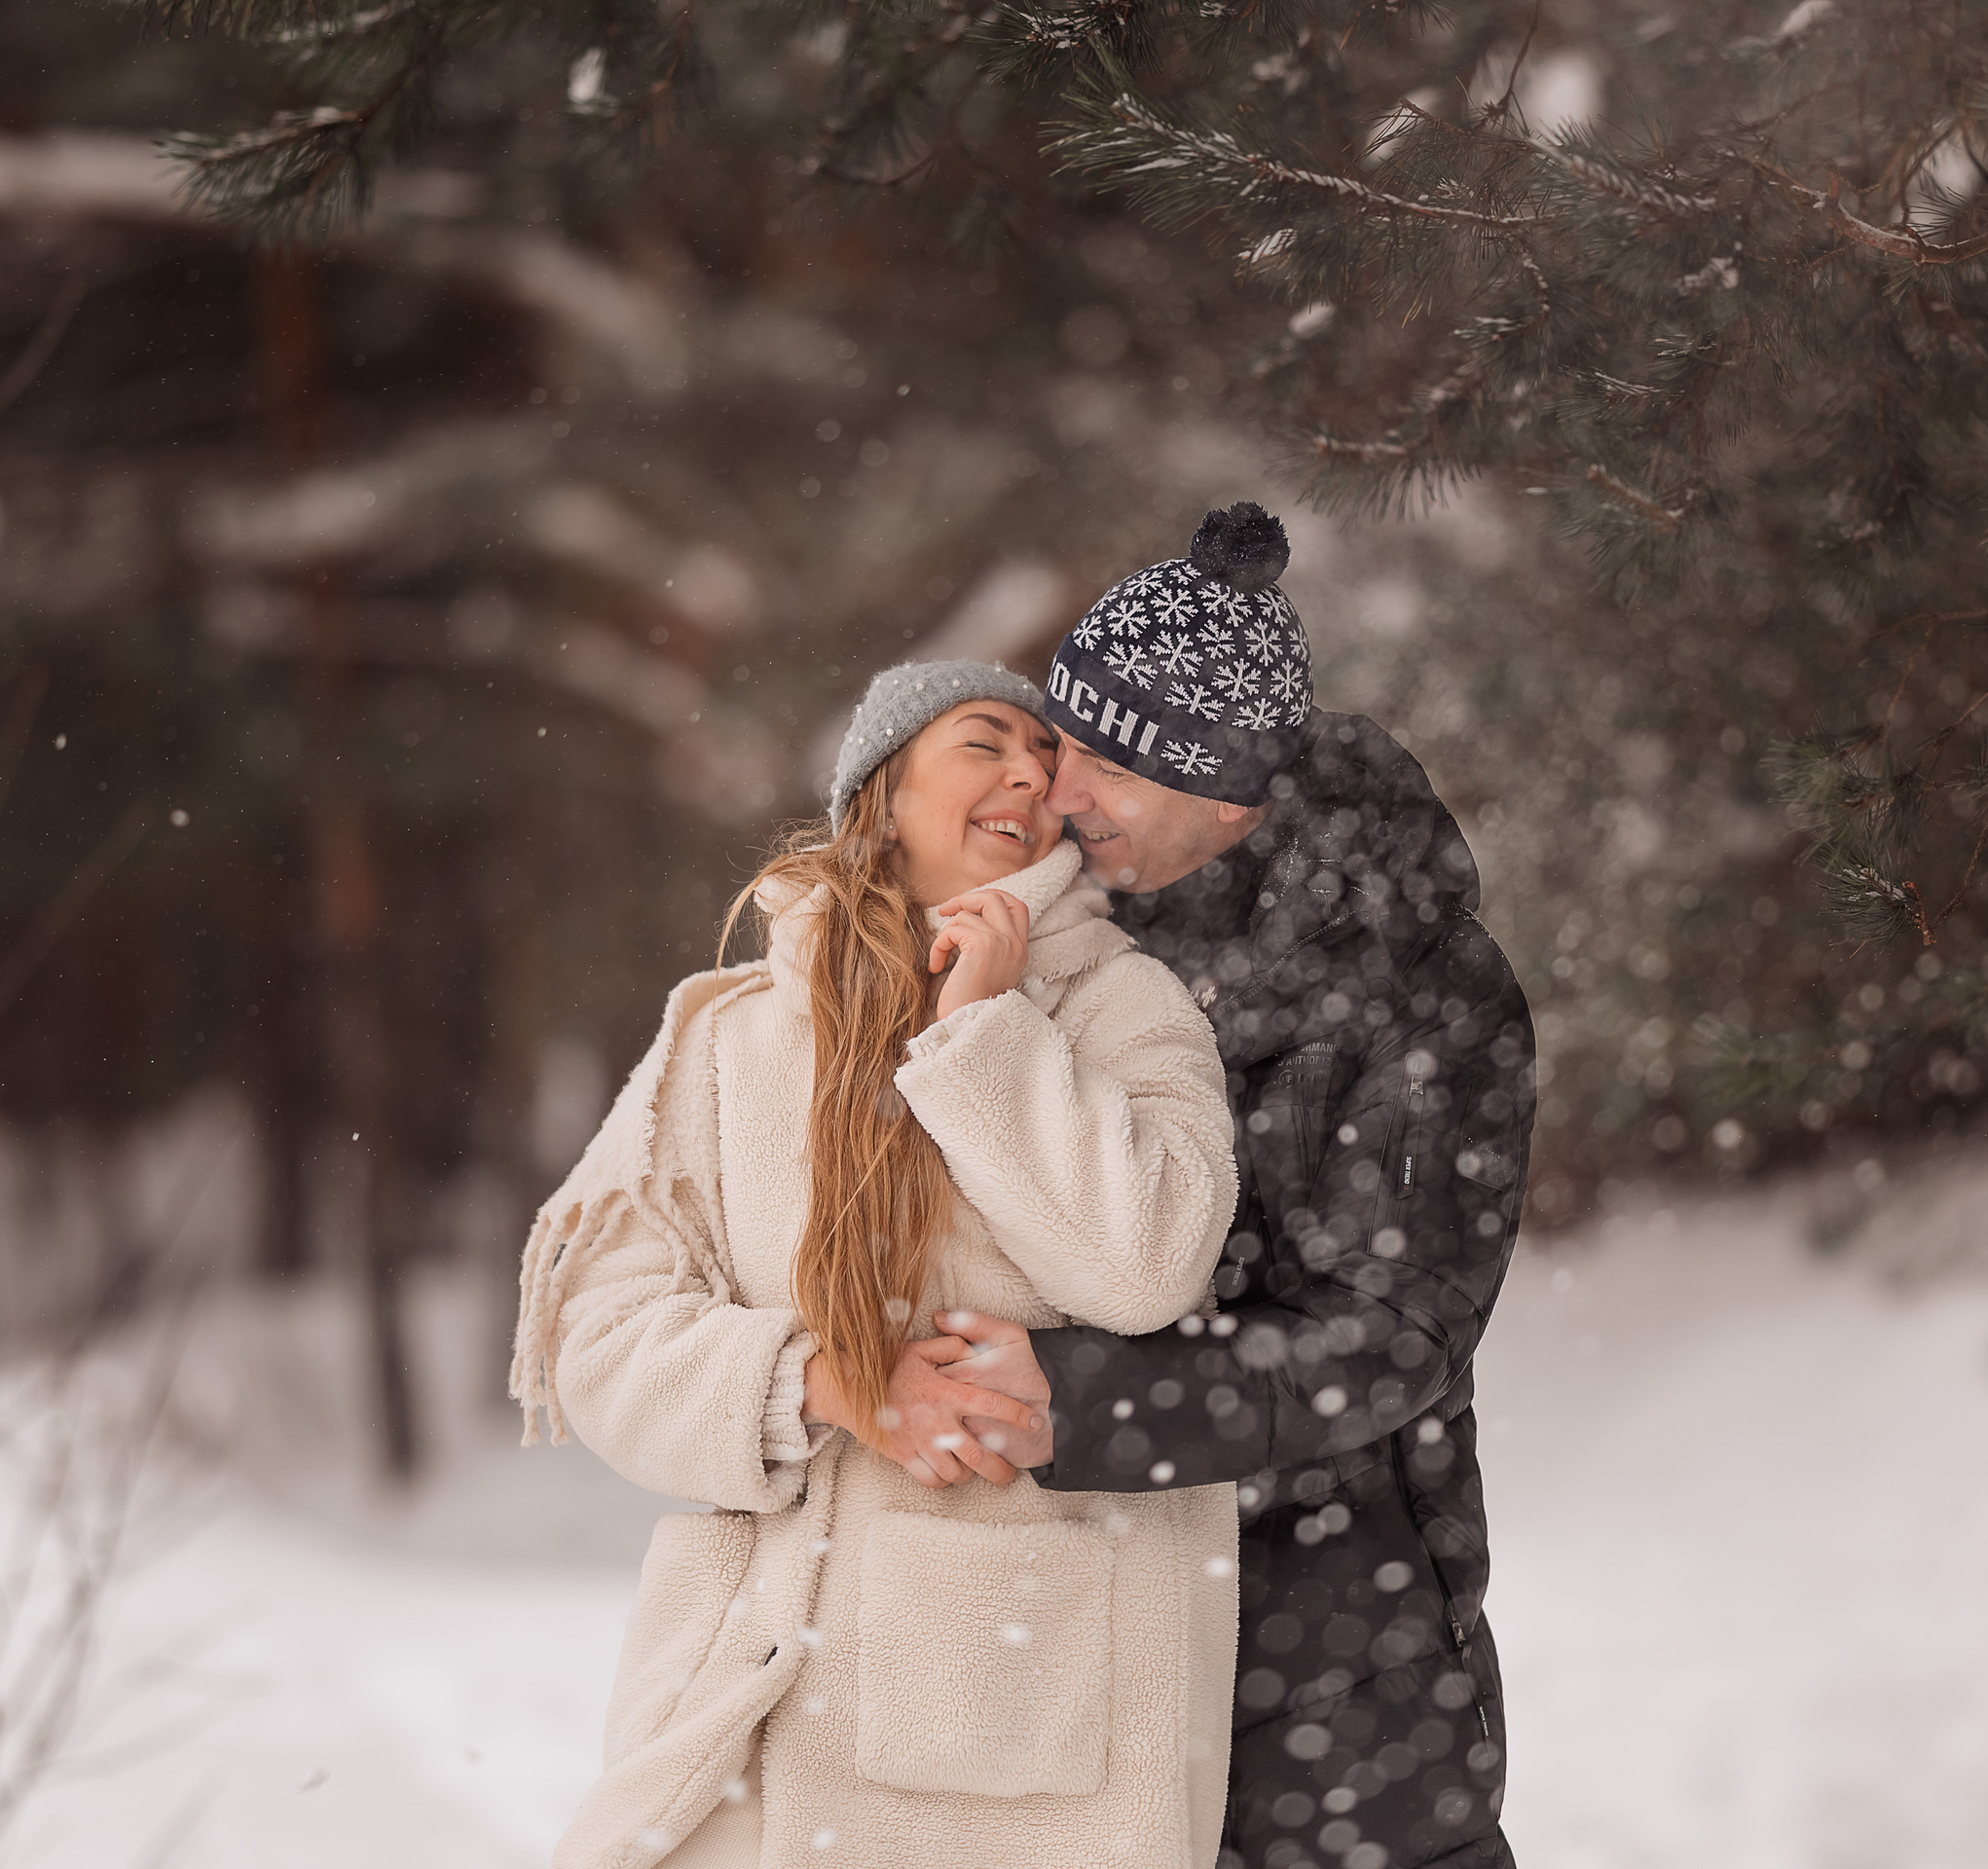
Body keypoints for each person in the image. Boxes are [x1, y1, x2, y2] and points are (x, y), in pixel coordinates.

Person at [512, 661, 1247, 1869]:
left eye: (1043, 757)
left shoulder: (1124, 1008)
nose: (1029, 773)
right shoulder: (729, 1036)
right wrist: (822, 1383)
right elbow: (598, 1330)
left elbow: (1148, 1266)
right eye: (983, 741)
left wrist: (982, 1031)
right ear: (882, 790)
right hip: (746, 1704)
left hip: (1022, 1712)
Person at [939, 504, 1535, 1869]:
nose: (1061, 788)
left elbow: (1389, 1335)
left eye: (1113, 762)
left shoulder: (1420, 990)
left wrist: (1077, 1400)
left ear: (1227, 792)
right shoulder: (1038, 932)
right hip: (1064, 1632)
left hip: (1339, 1646)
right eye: (1061, 739)